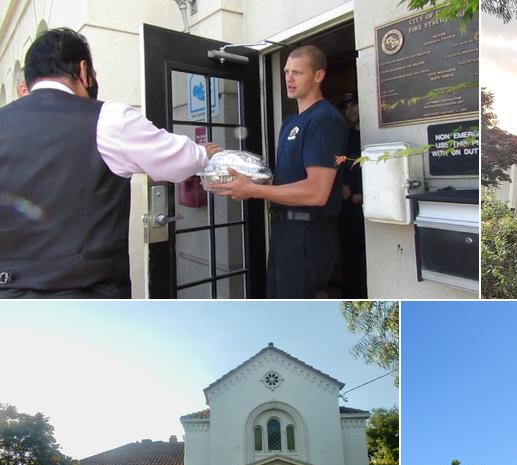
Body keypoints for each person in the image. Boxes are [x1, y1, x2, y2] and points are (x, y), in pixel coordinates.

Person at [0, 28, 220, 299]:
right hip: (87, 296)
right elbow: (177, 161)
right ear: (83, 70)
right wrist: (203, 152)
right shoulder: (108, 119)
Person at [208, 45, 347, 299]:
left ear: (318, 76)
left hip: (309, 234)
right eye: (286, 72)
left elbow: (317, 192)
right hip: (284, 231)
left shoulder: (325, 120)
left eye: (298, 72)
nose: (289, 79)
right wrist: (238, 174)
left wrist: (253, 190)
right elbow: (282, 181)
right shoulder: (290, 123)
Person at [337, 92, 367, 298]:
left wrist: (363, 193)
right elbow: (340, 165)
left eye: (354, 104)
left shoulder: (371, 134)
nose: (351, 110)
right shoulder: (346, 137)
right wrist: (342, 185)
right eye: (347, 107)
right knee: (350, 256)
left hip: (369, 206)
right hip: (348, 208)